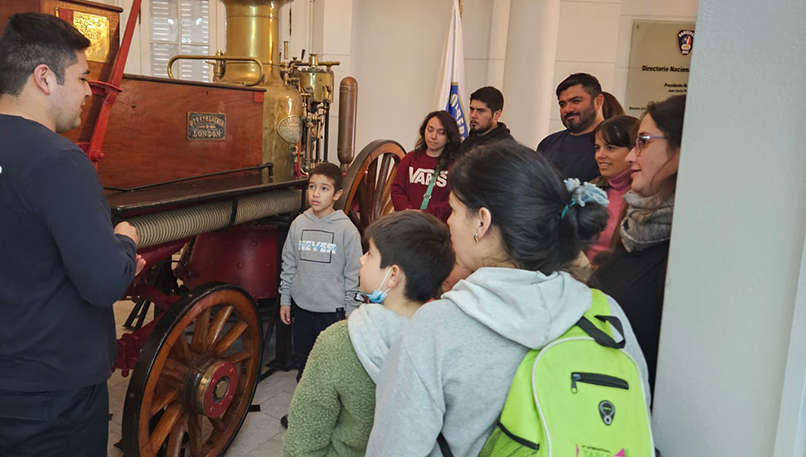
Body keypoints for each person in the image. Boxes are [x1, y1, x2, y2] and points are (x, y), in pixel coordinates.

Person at [365, 142, 650, 457]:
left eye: (455, 210)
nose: (448, 222)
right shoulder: (606, 316)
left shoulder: (435, 330)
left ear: (481, 221)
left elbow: (395, 448)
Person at [0, 13, 146, 456]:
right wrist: (126, 243)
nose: (89, 91)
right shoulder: (57, 160)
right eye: (81, 77)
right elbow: (104, 282)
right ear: (44, 78)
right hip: (50, 391)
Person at [282, 211, 455, 457]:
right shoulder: (446, 342)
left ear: (393, 275)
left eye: (370, 254)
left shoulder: (339, 341)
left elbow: (304, 442)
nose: (362, 260)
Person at [593, 94, 686, 393]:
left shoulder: (687, 246)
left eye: (643, 141)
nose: (632, 157)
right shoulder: (637, 223)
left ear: (683, 147)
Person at [278, 162, 362, 388]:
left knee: (328, 367)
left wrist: (350, 312)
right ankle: (305, 411)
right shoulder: (299, 224)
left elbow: (355, 274)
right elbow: (289, 264)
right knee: (304, 363)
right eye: (312, 187)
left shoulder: (347, 231)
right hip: (303, 309)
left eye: (324, 188)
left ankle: (327, 414)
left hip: (332, 313)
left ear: (338, 194)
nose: (316, 193)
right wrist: (285, 300)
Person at [585, 115, 639, 264]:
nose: (600, 155)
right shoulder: (591, 189)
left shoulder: (644, 198)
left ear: (634, 150)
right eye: (597, 148)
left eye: (610, 148)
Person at [391, 110, 462, 221]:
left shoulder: (456, 165)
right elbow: (397, 189)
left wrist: (426, 213)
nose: (433, 136)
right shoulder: (410, 158)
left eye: (441, 132)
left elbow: (455, 199)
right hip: (407, 221)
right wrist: (408, 212)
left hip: (438, 225)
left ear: (449, 136)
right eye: (430, 130)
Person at [537, 73, 605, 181]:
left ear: (598, 101)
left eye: (576, 101)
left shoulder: (613, 143)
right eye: (562, 104)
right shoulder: (548, 143)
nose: (568, 109)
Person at [458, 86, 514, 156]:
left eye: (480, 111)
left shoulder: (506, 148)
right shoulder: (468, 142)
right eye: (472, 109)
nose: (473, 115)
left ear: (497, 114)